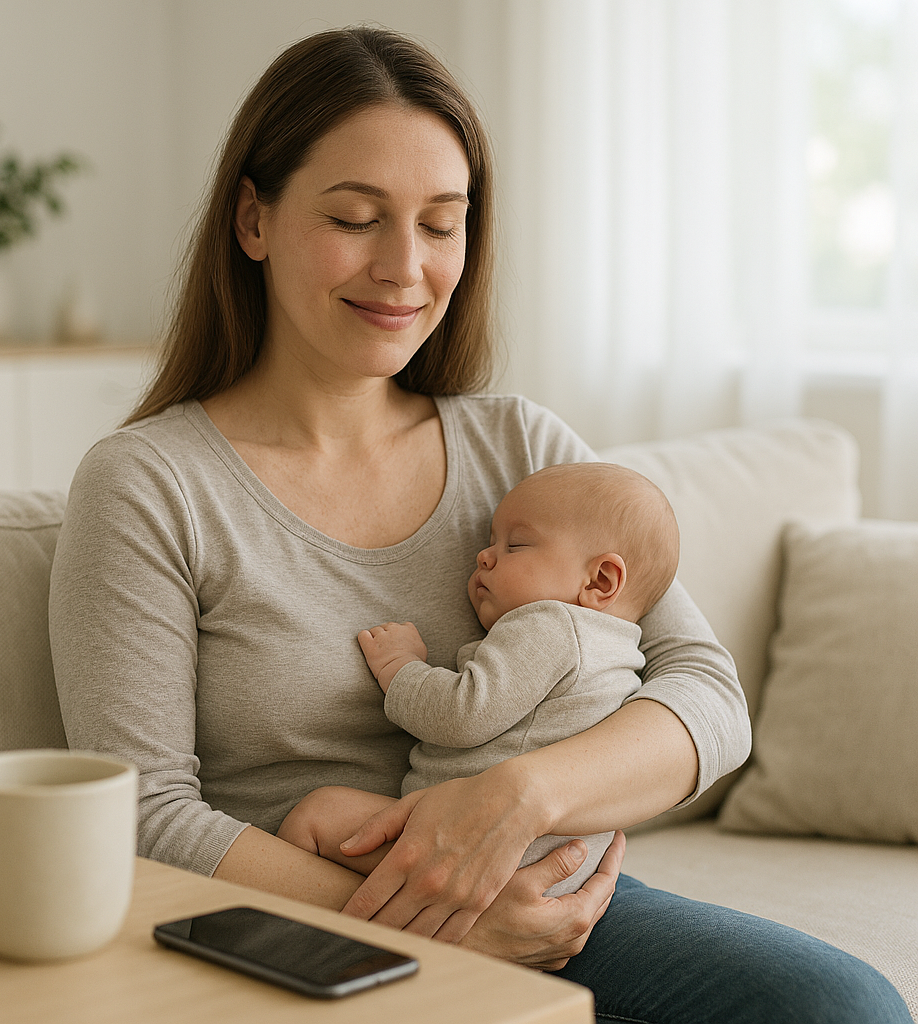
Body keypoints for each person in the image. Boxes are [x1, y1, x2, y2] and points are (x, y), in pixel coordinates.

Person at [47, 24, 913, 1024]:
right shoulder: (150, 483)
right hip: (293, 932)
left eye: (440, 223)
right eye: (357, 217)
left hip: (540, 890)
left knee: (841, 1007)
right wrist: (433, 917)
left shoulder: (520, 449)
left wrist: (520, 799)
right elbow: (141, 815)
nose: (402, 267)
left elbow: (709, 698)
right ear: (253, 218)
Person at [278, 461, 680, 898]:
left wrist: (400, 667)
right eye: (491, 542)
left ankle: (282, 949)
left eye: (516, 545)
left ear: (600, 580)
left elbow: (463, 714)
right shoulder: (618, 647)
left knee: (316, 817)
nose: (484, 556)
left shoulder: (550, 625)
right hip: (563, 865)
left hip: (495, 851)